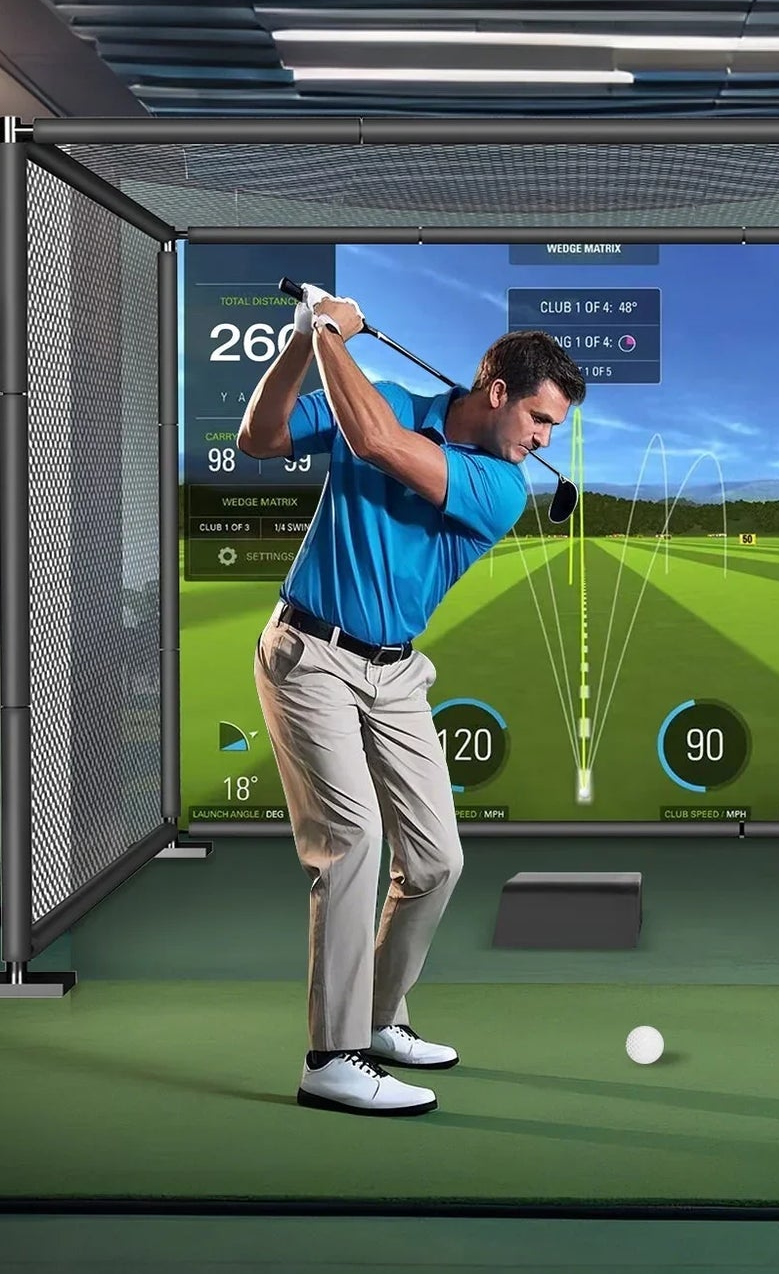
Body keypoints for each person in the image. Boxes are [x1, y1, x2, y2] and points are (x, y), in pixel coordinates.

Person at [237, 288, 586, 1117]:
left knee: (435, 860)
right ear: (497, 391)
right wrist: (301, 344)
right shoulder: (389, 398)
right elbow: (261, 438)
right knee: (352, 840)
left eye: (553, 432)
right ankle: (332, 1055)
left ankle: (379, 1018)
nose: (543, 443)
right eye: (540, 419)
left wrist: (327, 330)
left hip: (395, 675)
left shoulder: (498, 487)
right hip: (309, 654)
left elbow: (378, 443)